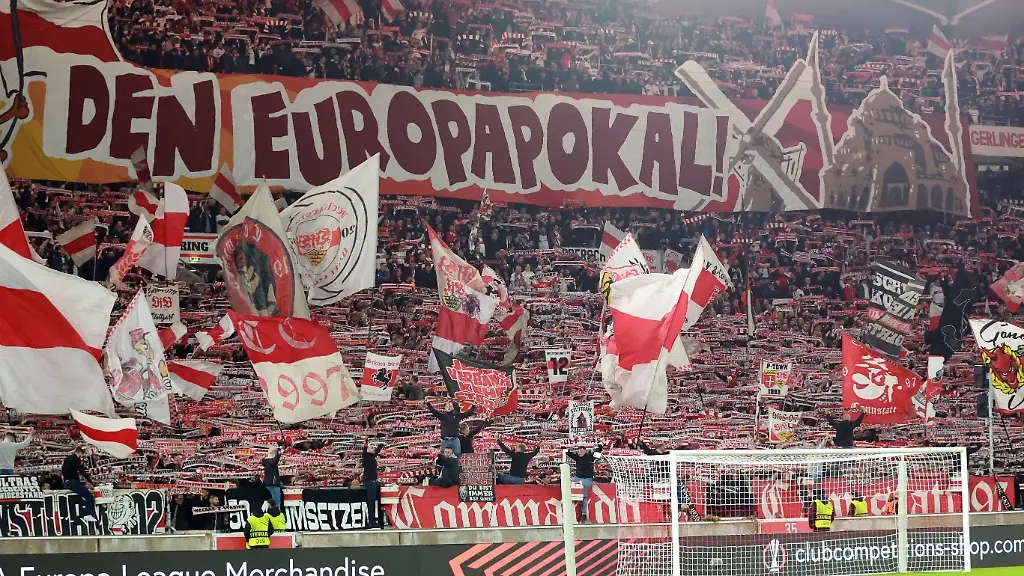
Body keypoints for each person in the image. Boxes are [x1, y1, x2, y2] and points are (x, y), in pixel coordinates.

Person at [567, 445, 602, 522]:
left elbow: (598, 452)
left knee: (583, 495)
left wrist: (599, 447)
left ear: (585, 451)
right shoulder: (577, 457)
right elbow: (568, 453)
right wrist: (565, 449)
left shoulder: (589, 456)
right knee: (567, 482)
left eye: (581, 451)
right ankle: (567, 504)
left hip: (587, 479)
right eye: (579, 451)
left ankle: (584, 514)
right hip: (577, 478)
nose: (579, 452)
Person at [62, 446, 97, 522]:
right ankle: (86, 514)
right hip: (73, 482)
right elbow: (81, 470)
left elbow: (63, 471)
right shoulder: (75, 459)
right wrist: (89, 478)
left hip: (67, 482)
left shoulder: (67, 459)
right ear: (80, 453)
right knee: (88, 495)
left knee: (78, 497)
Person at [362, 442, 384, 528]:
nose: (373, 448)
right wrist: (366, 441)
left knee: (381, 488)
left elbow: (376, 451)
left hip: (374, 481)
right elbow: (364, 449)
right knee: (371, 503)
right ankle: (371, 521)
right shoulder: (366, 457)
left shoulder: (372, 457)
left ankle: (379, 518)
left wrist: (381, 445)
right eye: (371, 447)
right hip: (369, 482)